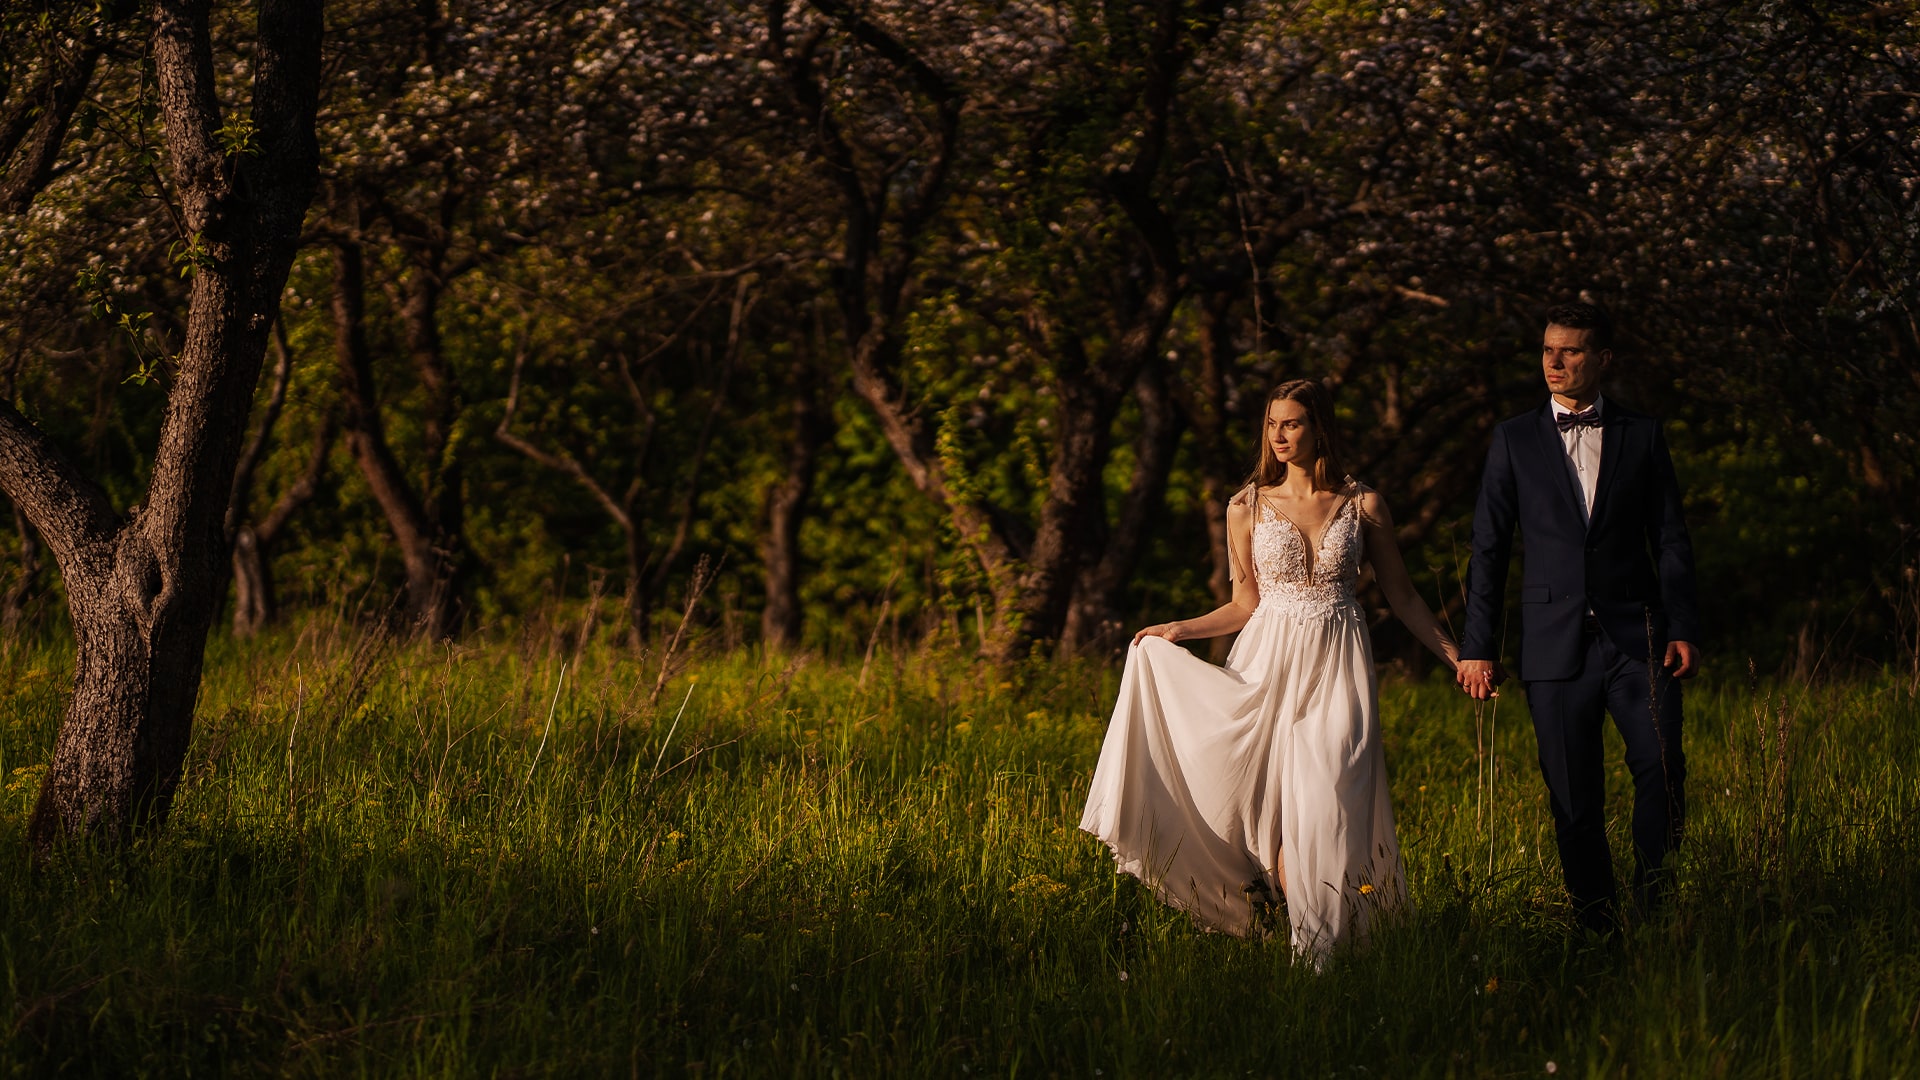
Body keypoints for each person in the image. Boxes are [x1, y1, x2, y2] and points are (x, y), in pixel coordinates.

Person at [1079, 378, 1460, 966]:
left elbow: (1405, 598)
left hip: (1338, 666)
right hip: (1267, 662)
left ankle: (1331, 948)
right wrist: (1178, 629)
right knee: (1277, 815)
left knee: (1330, 792)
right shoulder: (1246, 506)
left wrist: (1458, 659)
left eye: (1293, 423)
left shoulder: (1365, 504)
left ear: (1320, 427)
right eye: (1271, 424)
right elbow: (1243, 604)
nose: (1279, 436)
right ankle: (1305, 950)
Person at [1456, 301, 1701, 935]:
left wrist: (1681, 625)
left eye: (1570, 351)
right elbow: (1489, 546)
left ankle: (1652, 904)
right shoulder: (1513, 437)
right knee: (1573, 798)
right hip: (1552, 645)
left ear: (1603, 359)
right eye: (1547, 351)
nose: (1555, 363)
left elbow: (1670, 537)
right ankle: (1597, 925)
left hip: (1638, 639)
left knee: (1663, 768)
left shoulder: (1642, 434)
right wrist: (1477, 646)